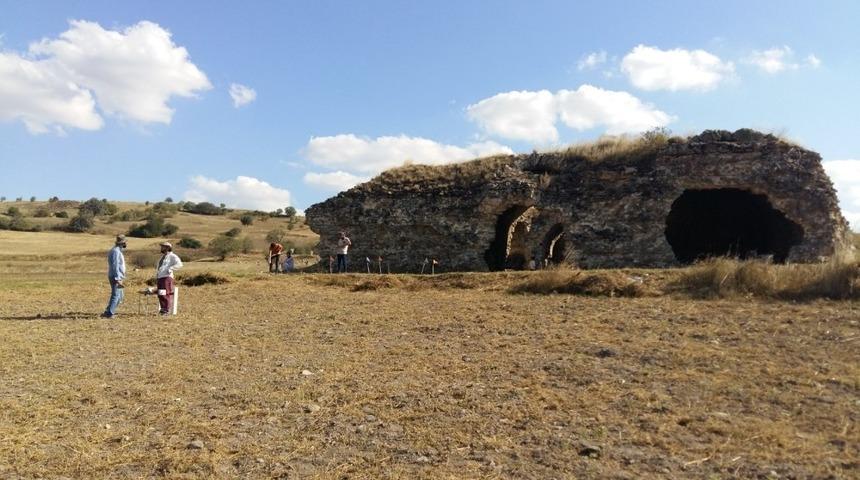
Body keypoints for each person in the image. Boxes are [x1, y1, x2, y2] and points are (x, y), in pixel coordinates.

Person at [101, 235, 127, 319]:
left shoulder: (117, 250)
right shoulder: (116, 251)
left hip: (117, 276)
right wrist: (117, 278)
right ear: (122, 243)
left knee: (120, 296)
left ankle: (108, 310)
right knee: (116, 295)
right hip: (115, 276)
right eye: (125, 242)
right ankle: (109, 313)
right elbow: (115, 265)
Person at [155, 241, 183, 316]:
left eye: (163, 246)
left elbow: (179, 264)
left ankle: (166, 310)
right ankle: (162, 309)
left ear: (168, 248)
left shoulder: (172, 256)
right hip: (160, 277)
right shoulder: (162, 257)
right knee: (161, 294)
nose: (161, 248)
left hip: (167, 277)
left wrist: (170, 269)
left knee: (166, 293)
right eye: (161, 246)